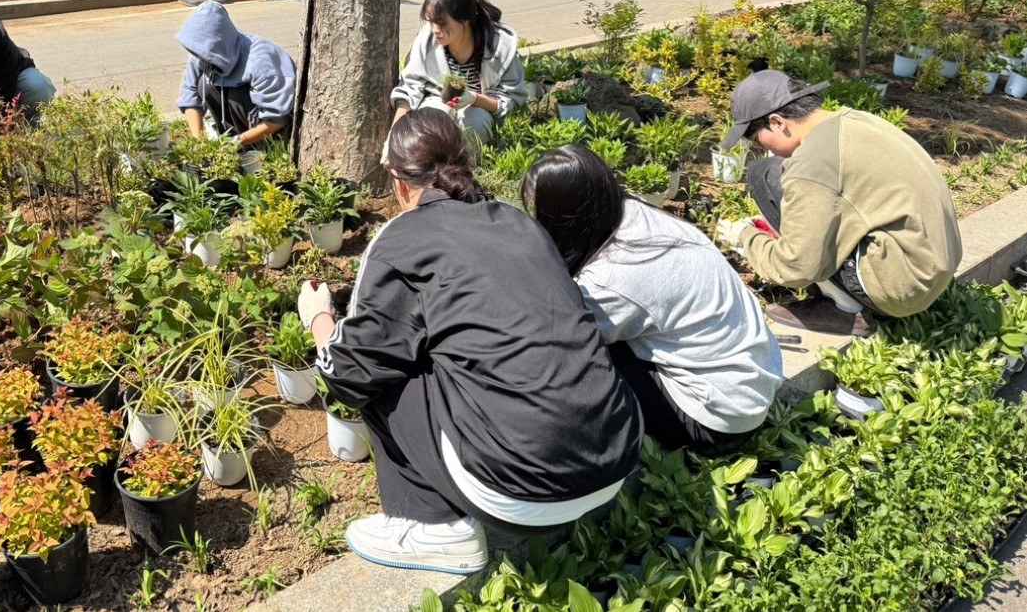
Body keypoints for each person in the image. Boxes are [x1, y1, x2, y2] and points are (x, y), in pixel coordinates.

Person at [299, 108, 642, 575]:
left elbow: (351, 373)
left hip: (522, 489)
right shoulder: (519, 222)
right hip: (614, 460)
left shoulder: (403, 237)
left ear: (399, 183)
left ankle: (434, 528)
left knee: (387, 366)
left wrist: (319, 319)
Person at [525, 145, 783, 453]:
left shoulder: (610, 279)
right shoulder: (637, 215)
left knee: (580, 349)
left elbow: (557, 337)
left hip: (714, 421)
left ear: (564, 217)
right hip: (750, 387)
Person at [716, 70, 962, 336]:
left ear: (777, 122)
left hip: (901, 289)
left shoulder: (813, 164)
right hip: (932, 267)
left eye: (756, 139)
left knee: (763, 176)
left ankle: (843, 309)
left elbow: (796, 268)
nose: (762, 147)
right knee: (775, 170)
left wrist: (746, 237)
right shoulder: (856, 120)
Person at [389, 0, 528, 145]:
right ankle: (434, 168)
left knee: (474, 121)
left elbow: (512, 99)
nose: (434, 29)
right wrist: (393, 140)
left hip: (482, 108)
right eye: (430, 21)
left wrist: (474, 99)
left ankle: (469, 167)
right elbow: (409, 88)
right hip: (437, 101)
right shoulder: (426, 39)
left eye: (441, 23)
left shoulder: (499, 44)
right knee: (434, 118)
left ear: (465, 20)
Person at [175, 0, 296, 147]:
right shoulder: (201, 51)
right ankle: (231, 140)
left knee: (236, 95)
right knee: (204, 84)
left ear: (217, 44)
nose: (197, 56)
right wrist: (198, 141)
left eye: (202, 52)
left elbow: (277, 120)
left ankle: (259, 149)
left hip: (272, 130)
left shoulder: (261, 61)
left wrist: (236, 143)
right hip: (239, 134)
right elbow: (190, 95)